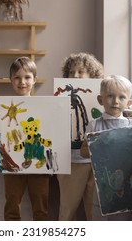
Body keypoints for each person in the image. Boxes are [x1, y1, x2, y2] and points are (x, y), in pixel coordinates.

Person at [81, 74, 132, 221]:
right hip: (102, 184)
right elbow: (83, 152)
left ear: (129, 102)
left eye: (121, 97)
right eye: (110, 96)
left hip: (126, 184)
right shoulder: (94, 125)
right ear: (100, 99)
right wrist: (99, 146)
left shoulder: (131, 125)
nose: (115, 101)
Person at [57, 52, 104, 221]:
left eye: (81, 71)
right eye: (71, 72)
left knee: (94, 211)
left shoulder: (103, 98)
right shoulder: (61, 98)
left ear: (92, 75)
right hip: (71, 161)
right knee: (68, 210)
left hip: (95, 162)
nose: (75, 75)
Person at [4, 56, 49, 221]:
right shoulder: (5, 109)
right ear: (11, 80)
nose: (22, 82)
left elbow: (50, 133)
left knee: (41, 205)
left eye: (27, 77)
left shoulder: (44, 108)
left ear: (35, 79)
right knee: (12, 204)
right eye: (17, 77)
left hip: (39, 162)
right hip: (13, 164)